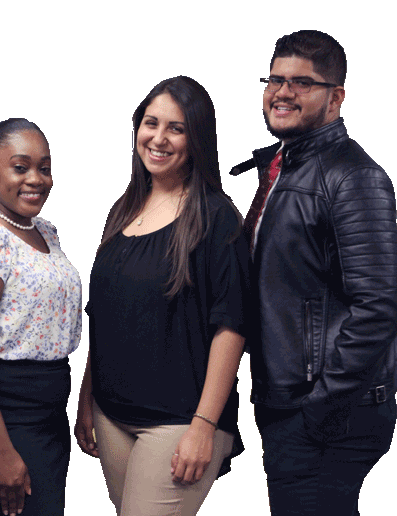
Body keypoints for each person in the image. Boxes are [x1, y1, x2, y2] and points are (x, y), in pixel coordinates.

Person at [230, 30, 397, 515]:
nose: (283, 92)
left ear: (337, 97)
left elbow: (378, 308)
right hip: (291, 401)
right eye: (275, 79)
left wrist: (316, 408)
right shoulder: (283, 167)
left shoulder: (353, 176)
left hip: (328, 412)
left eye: (302, 83)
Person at [75, 76, 250, 516]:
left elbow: (232, 327)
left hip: (178, 423)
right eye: (151, 123)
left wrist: (204, 426)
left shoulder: (216, 218)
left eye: (176, 127)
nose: (159, 138)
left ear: (198, 139)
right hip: (112, 415)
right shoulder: (123, 209)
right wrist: (86, 400)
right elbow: (108, 317)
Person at [0, 118, 82, 516]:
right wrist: (2, 452)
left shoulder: (47, 231)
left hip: (49, 416)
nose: (36, 179)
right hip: (2, 419)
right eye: (20, 167)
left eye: (44, 168)